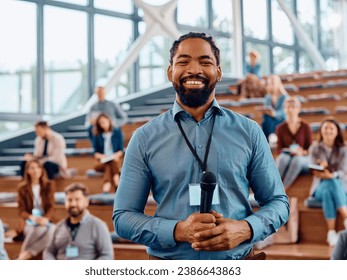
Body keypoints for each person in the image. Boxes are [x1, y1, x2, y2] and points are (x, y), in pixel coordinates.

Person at [113, 32, 290, 260]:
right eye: (183, 61)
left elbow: (278, 203)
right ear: (170, 72)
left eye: (205, 62)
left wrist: (245, 229)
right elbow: (123, 217)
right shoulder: (144, 138)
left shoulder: (249, 131)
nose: (194, 70)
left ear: (218, 72)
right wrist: (178, 231)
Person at [308, 118, 347, 247]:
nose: (328, 130)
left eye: (331, 128)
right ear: (321, 131)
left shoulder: (343, 148)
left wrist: (332, 175)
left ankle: (331, 232)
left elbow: (343, 171)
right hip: (319, 185)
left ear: (337, 132)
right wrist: (323, 172)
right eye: (325, 128)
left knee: (330, 187)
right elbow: (312, 168)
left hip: (341, 185)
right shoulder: (315, 148)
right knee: (329, 184)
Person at [43, 183, 114, 260]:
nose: (73, 204)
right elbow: (48, 252)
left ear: (86, 202)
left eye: (77, 199)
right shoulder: (58, 227)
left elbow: (107, 256)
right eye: (69, 200)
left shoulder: (99, 226)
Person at [14, 159, 56, 260]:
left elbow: (51, 207)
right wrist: (32, 218)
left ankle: (21, 257)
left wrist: (45, 219)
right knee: (37, 230)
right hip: (29, 221)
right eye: (32, 168)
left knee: (53, 230)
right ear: (27, 171)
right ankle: (22, 256)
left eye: (38, 167)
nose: (36, 170)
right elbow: (21, 211)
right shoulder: (22, 188)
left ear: (41, 170)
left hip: (45, 220)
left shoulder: (49, 185)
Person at [275, 96, 312, 189]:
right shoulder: (280, 128)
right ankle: (274, 185)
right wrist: (289, 151)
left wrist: (302, 152)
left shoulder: (305, 126)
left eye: (293, 107)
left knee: (297, 160)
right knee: (282, 158)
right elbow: (279, 149)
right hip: (288, 155)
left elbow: (310, 148)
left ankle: (283, 189)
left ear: (298, 109)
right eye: (287, 107)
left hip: (303, 157)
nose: (290, 110)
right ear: (284, 109)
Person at [88, 113, 124, 193]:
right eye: (101, 123)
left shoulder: (117, 132)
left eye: (104, 122)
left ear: (109, 121)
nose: (103, 124)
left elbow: (121, 150)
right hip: (101, 163)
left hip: (113, 160)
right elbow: (95, 153)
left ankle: (106, 189)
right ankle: (117, 183)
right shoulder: (97, 135)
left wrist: (114, 156)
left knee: (110, 164)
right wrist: (104, 156)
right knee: (111, 162)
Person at [261, 74, 288, 141]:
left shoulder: (284, 97)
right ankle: (270, 138)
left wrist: (274, 114)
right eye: (269, 83)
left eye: (272, 83)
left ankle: (271, 138)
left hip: (281, 119)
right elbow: (267, 108)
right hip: (270, 119)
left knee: (270, 121)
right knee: (266, 120)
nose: (270, 85)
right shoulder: (268, 97)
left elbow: (284, 112)